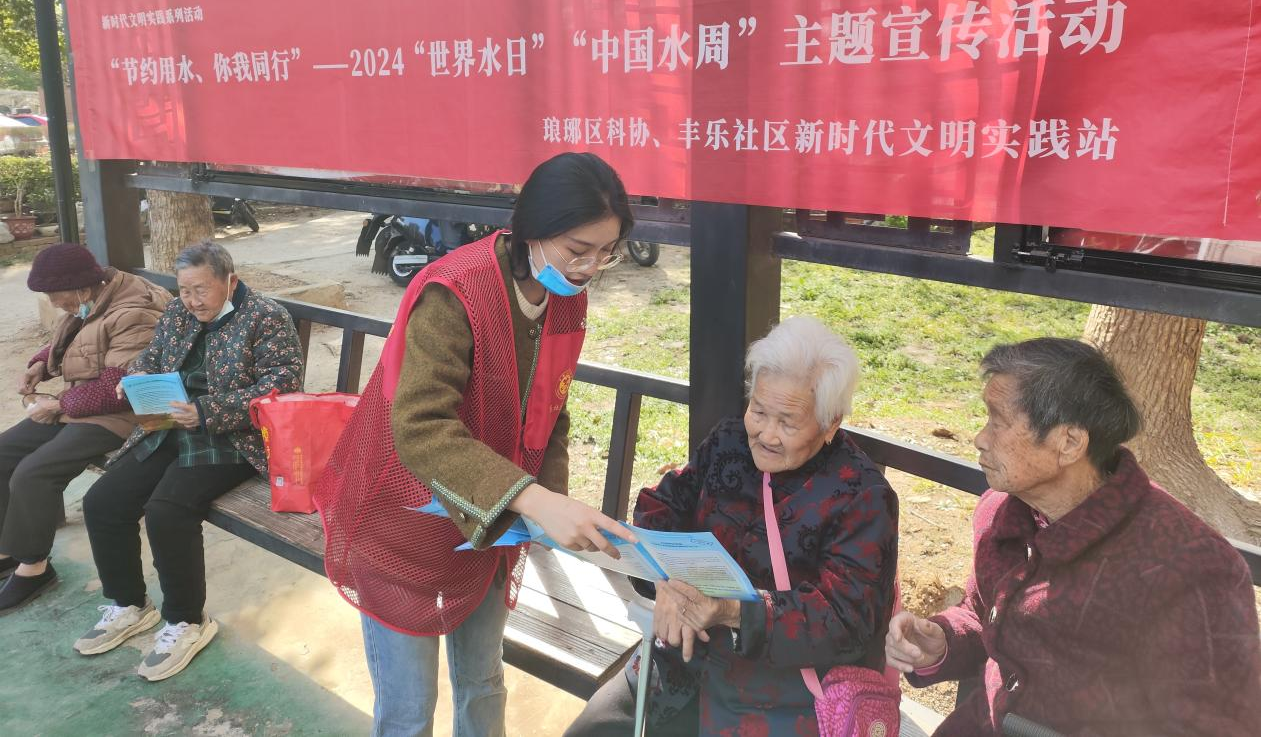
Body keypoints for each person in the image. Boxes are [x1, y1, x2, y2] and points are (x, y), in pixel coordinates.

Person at [316, 152, 640, 737]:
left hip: (490, 520)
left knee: (484, 682)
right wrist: (536, 501)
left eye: (606, 252)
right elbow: (420, 429)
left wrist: (546, 507)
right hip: (404, 516)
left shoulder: (565, 294)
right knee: (409, 709)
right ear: (531, 229)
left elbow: (551, 407)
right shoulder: (456, 291)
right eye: (578, 249)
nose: (592, 266)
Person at [885, 337, 1261, 736]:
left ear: (1069, 442)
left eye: (997, 421)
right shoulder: (1001, 513)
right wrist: (941, 642)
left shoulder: (1191, 568)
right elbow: (986, 614)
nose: (980, 438)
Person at [566, 315, 899, 737]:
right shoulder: (728, 443)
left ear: (831, 424)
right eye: (758, 411)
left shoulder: (862, 496)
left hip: (781, 693)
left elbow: (848, 619)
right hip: (680, 662)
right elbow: (660, 506)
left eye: (788, 422)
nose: (766, 434)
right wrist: (669, 582)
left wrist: (734, 612)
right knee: (592, 730)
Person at [73, 241, 303, 681]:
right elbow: (155, 356)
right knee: (103, 501)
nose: (192, 301)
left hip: (235, 436)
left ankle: (186, 621)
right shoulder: (179, 313)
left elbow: (283, 387)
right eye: (184, 291)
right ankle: (128, 604)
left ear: (229, 281)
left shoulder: (265, 317)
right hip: (171, 424)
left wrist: (208, 410)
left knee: (168, 511)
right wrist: (137, 373)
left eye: (201, 290)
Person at [0, 243, 169, 613]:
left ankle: (34, 567)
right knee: (4, 453)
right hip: (80, 405)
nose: (59, 306)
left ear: (82, 286)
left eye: (60, 300)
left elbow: (120, 390)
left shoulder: (135, 312)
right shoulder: (91, 297)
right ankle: (9, 549)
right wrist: (39, 365)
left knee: (34, 473)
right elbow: (69, 340)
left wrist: (59, 405)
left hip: (125, 414)